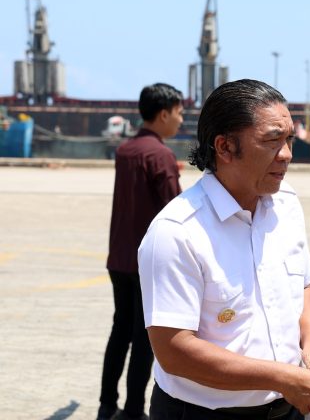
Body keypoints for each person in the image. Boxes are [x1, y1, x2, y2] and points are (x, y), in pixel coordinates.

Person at [138, 79, 310, 420]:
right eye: (272, 140)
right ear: (225, 147)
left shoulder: (285, 204)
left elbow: (303, 284)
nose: (287, 154)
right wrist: (280, 377)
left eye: (289, 139)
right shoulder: (177, 232)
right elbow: (174, 350)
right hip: (202, 413)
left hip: (289, 407)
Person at [98, 83, 184, 420]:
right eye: (178, 113)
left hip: (118, 256)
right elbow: (176, 209)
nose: (180, 120)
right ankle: (133, 410)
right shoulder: (160, 155)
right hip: (145, 262)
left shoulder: (126, 150)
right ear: (163, 114)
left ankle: (107, 405)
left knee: (120, 330)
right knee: (143, 338)